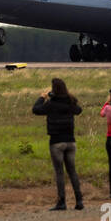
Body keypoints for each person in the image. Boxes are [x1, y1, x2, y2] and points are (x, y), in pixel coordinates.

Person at [33, 78, 84, 211]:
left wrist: (42, 97)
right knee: (72, 171)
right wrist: (69, 96)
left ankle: (62, 202)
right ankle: (79, 200)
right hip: (71, 141)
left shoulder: (51, 104)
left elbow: (36, 110)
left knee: (60, 173)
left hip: (57, 142)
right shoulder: (70, 102)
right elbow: (79, 110)